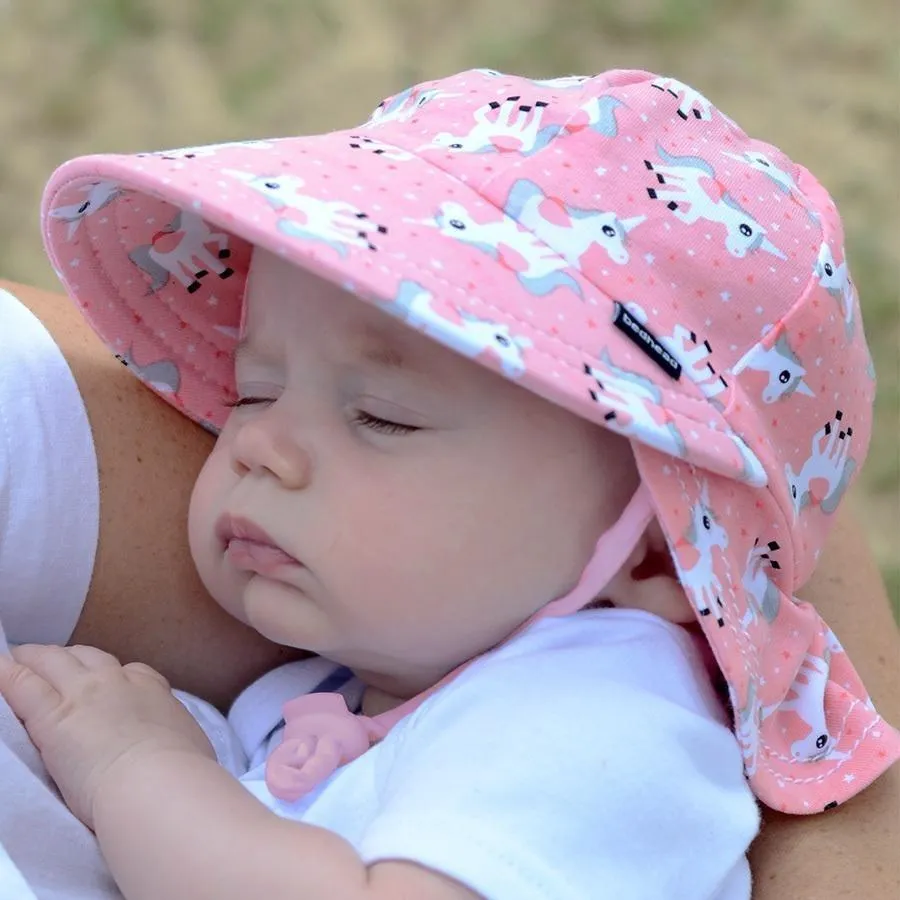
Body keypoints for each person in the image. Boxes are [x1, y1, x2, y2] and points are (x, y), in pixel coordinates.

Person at [0, 67, 897, 900]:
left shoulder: (601, 724)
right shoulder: (341, 692)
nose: (258, 446)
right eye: (254, 388)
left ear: (661, 550)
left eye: (383, 415)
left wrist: (137, 771)